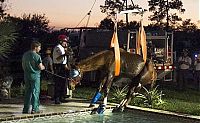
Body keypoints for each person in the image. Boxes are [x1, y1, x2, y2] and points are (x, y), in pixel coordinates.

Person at [22, 41, 45, 114]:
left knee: (27, 92)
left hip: (26, 75)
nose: (40, 49)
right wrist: (43, 67)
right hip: (35, 76)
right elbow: (40, 67)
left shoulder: (25, 54)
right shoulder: (37, 56)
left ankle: (25, 109)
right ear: (35, 47)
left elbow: (23, 65)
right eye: (39, 47)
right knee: (35, 92)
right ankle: (35, 109)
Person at [53, 34, 72, 104]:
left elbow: (65, 59)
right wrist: (64, 54)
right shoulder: (58, 48)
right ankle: (57, 98)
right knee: (58, 83)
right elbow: (58, 58)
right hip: (58, 66)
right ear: (61, 41)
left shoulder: (62, 48)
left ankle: (62, 96)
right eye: (65, 42)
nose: (66, 43)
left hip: (63, 66)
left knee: (64, 82)